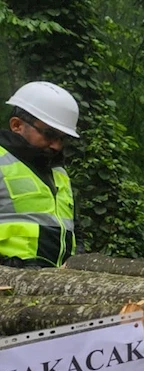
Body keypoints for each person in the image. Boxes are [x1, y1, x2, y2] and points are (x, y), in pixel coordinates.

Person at [0, 81, 80, 268]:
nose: (56, 145)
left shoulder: (59, 173)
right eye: (49, 134)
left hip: (55, 286)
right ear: (17, 125)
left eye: (62, 138)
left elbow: (74, 231)